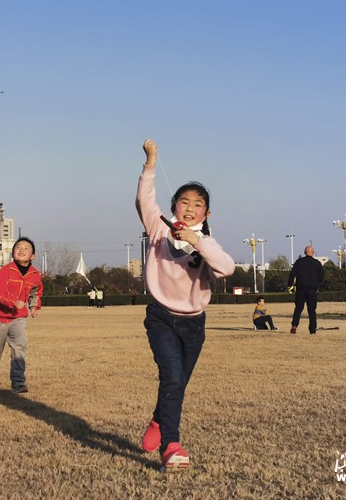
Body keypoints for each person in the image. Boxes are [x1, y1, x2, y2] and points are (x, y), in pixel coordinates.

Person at [136, 139, 236, 472]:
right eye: (184, 201)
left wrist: (197, 240)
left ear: (207, 213)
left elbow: (226, 268)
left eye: (197, 204)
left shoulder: (207, 243)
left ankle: (157, 422)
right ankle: (171, 446)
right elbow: (143, 200)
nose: (189, 208)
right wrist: (151, 162)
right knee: (173, 379)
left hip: (194, 325)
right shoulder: (158, 229)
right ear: (174, 205)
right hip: (161, 318)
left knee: (177, 383)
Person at [0, 237, 43, 397]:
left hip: (19, 318)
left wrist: (34, 305)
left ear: (32, 256)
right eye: (18, 248)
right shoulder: (5, 271)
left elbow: (36, 291)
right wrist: (14, 302)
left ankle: (18, 382)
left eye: (26, 248)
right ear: (13, 253)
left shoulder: (35, 274)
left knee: (20, 348)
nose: (21, 250)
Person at [287, 246, 325, 335]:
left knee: (298, 308)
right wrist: (317, 284)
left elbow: (292, 274)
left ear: (304, 252)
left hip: (300, 288)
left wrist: (290, 284)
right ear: (313, 252)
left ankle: (294, 325)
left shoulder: (299, 262)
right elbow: (321, 277)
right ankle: (312, 329)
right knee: (312, 310)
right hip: (312, 289)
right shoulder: (317, 263)